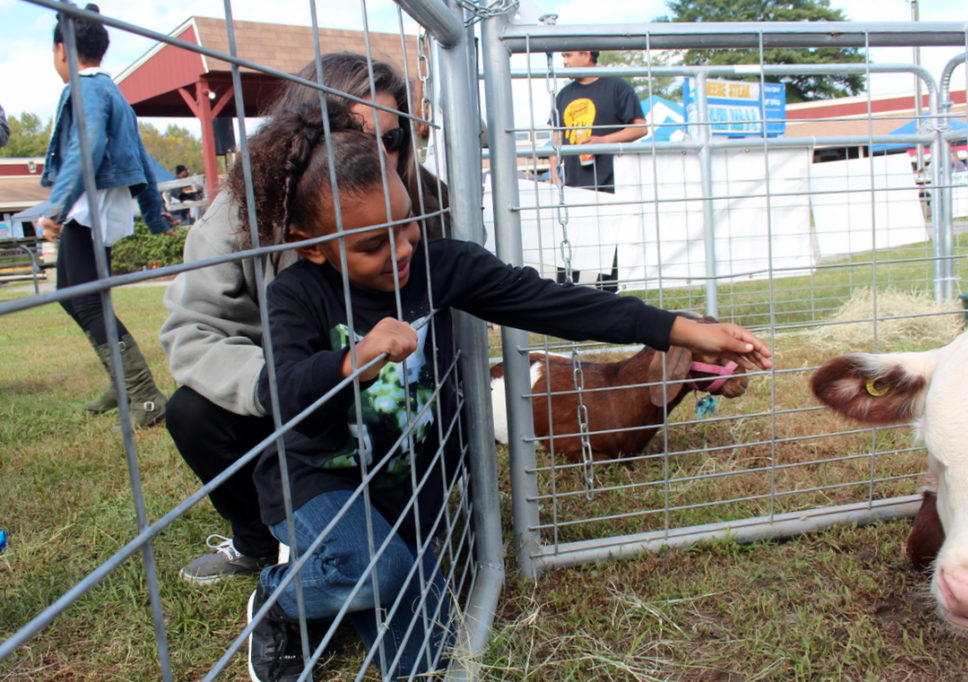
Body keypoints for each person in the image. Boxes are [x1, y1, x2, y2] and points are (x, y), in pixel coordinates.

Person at [245, 99, 772, 682]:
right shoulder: (294, 295)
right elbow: (282, 393)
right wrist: (355, 360)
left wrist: (687, 331)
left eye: (407, 224)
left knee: (425, 662)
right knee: (376, 572)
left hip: (405, 486)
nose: (401, 250)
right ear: (312, 244)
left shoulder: (439, 266)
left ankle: (352, 573)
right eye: (373, 243)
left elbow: (557, 303)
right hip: (320, 480)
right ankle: (279, 601)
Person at [159, 51, 449, 585]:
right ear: (305, 132)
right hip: (293, 403)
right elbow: (193, 330)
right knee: (192, 412)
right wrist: (281, 385)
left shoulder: (427, 199)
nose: (378, 158)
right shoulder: (239, 211)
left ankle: (412, 513)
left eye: (391, 139)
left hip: (396, 401)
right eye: (355, 137)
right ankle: (257, 543)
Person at [37, 3, 172, 429]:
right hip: (100, 207)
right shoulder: (113, 92)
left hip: (87, 209)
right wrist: (156, 217)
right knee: (70, 294)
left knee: (87, 302)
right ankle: (123, 384)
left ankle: (146, 396)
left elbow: (86, 148)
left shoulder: (86, 89)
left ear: (62, 50)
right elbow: (143, 164)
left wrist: (56, 207)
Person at [547, 50, 646, 194]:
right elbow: (557, 140)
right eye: (563, 56)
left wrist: (604, 141)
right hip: (573, 188)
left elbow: (640, 128)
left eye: (568, 55)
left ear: (586, 55)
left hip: (614, 186)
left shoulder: (617, 87)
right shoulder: (563, 95)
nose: (564, 61)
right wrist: (554, 175)